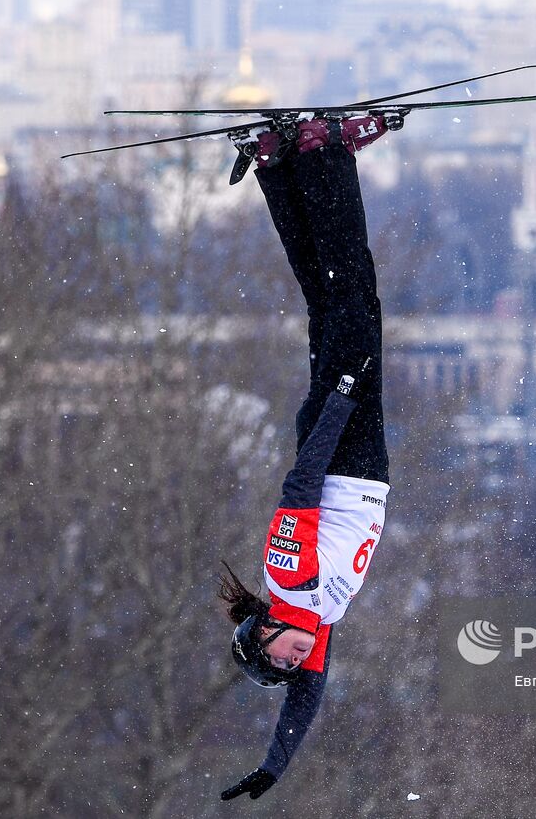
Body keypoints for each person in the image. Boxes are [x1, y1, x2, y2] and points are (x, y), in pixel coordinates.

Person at [217, 114, 394, 801]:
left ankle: (324, 153)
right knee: (330, 298)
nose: (299, 662)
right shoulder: (314, 623)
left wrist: (343, 398)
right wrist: (273, 766)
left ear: (264, 628)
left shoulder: (291, 579)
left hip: (340, 443)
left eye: (282, 657)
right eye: (295, 664)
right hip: (355, 448)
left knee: (351, 292)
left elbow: (300, 484)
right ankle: (278, 162)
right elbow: (304, 702)